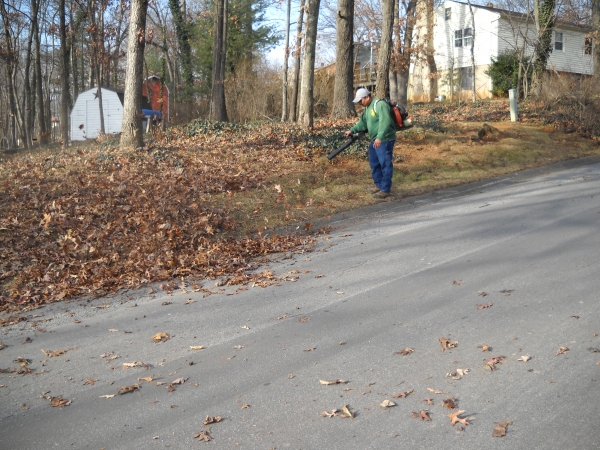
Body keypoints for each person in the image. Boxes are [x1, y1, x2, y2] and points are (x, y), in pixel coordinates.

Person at [345, 87, 397, 199]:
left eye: (360, 101)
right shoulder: (367, 107)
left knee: (385, 164)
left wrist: (379, 137)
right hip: (375, 140)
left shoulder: (379, 105)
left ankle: (385, 189)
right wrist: (352, 130)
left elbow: (385, 121)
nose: (359, 103)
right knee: (374, 163)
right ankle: (378, 185)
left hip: (385, 139)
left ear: (367, 97)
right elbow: (362, 123)